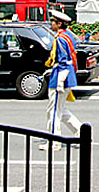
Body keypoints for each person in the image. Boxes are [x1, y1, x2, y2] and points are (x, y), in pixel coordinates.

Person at [39, 10, 82, 151]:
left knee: (53, 111)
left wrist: (59, 81)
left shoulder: (60, 39)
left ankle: (54, 142)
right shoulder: (67, 36)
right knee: (60, 110)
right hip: (65, 75)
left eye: (53, 22)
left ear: (59, 24)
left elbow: (63, 61)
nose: (51, 24)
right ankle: (80, 132)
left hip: (60, 77)